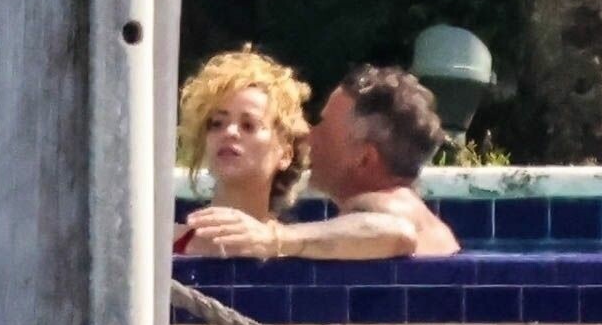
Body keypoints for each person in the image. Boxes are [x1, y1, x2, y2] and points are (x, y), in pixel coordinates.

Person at [187, 65, 460, 258]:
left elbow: (398, 232)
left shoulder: (383, 206)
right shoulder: (427, 221)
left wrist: (271, 238)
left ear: (364, 157)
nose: (308, 135)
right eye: (216, 123)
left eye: (324, 128)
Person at [172, 48, 312, 256]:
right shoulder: (158, 249)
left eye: (248, 125)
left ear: (285, 155)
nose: (229, 132)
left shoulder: (296, 256)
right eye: (216, 123)